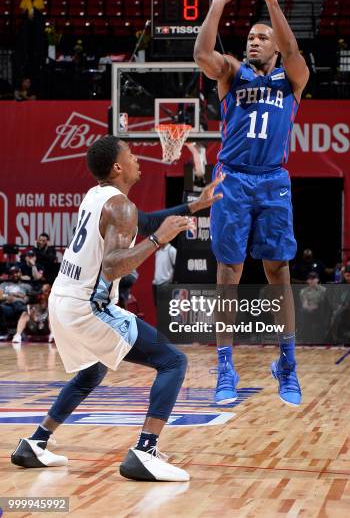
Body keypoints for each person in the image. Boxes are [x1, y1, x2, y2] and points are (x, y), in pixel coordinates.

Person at [11, 135, 223, 482]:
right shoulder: (120, 206)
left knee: (93, 372)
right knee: (173, 360)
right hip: (86, 305)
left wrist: (193, 207)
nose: (138, 158)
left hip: (63, 300)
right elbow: (112, 268)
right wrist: (157, 241)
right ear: (117, 167)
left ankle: (35, 442)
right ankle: (145, 450)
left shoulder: (99, 197)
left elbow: (144, 219)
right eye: (132, 154)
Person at [193, 0, 309, 406]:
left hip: (274, 181)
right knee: (229, 272)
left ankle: (288, 363)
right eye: (250, 38)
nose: (255, 42)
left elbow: (296, 54)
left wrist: (272, 2)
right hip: (234, 180)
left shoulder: (291, 79)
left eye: (263, 37)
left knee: (278, 270)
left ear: (276, 45)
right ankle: (225, 367)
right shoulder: (232, 73)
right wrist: (218, 5)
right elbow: (203, 55)